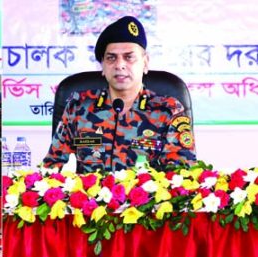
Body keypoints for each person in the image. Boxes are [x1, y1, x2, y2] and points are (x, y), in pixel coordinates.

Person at [42, 16, 196, 173]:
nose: (120, 65)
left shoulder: (168, 111)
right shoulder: (78, 107)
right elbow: (52, 168)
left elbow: (182, 176)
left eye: (129, 57)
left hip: (150, 197)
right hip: (88, 196)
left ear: (145, 62)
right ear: (102, 65)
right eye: (111, 58)